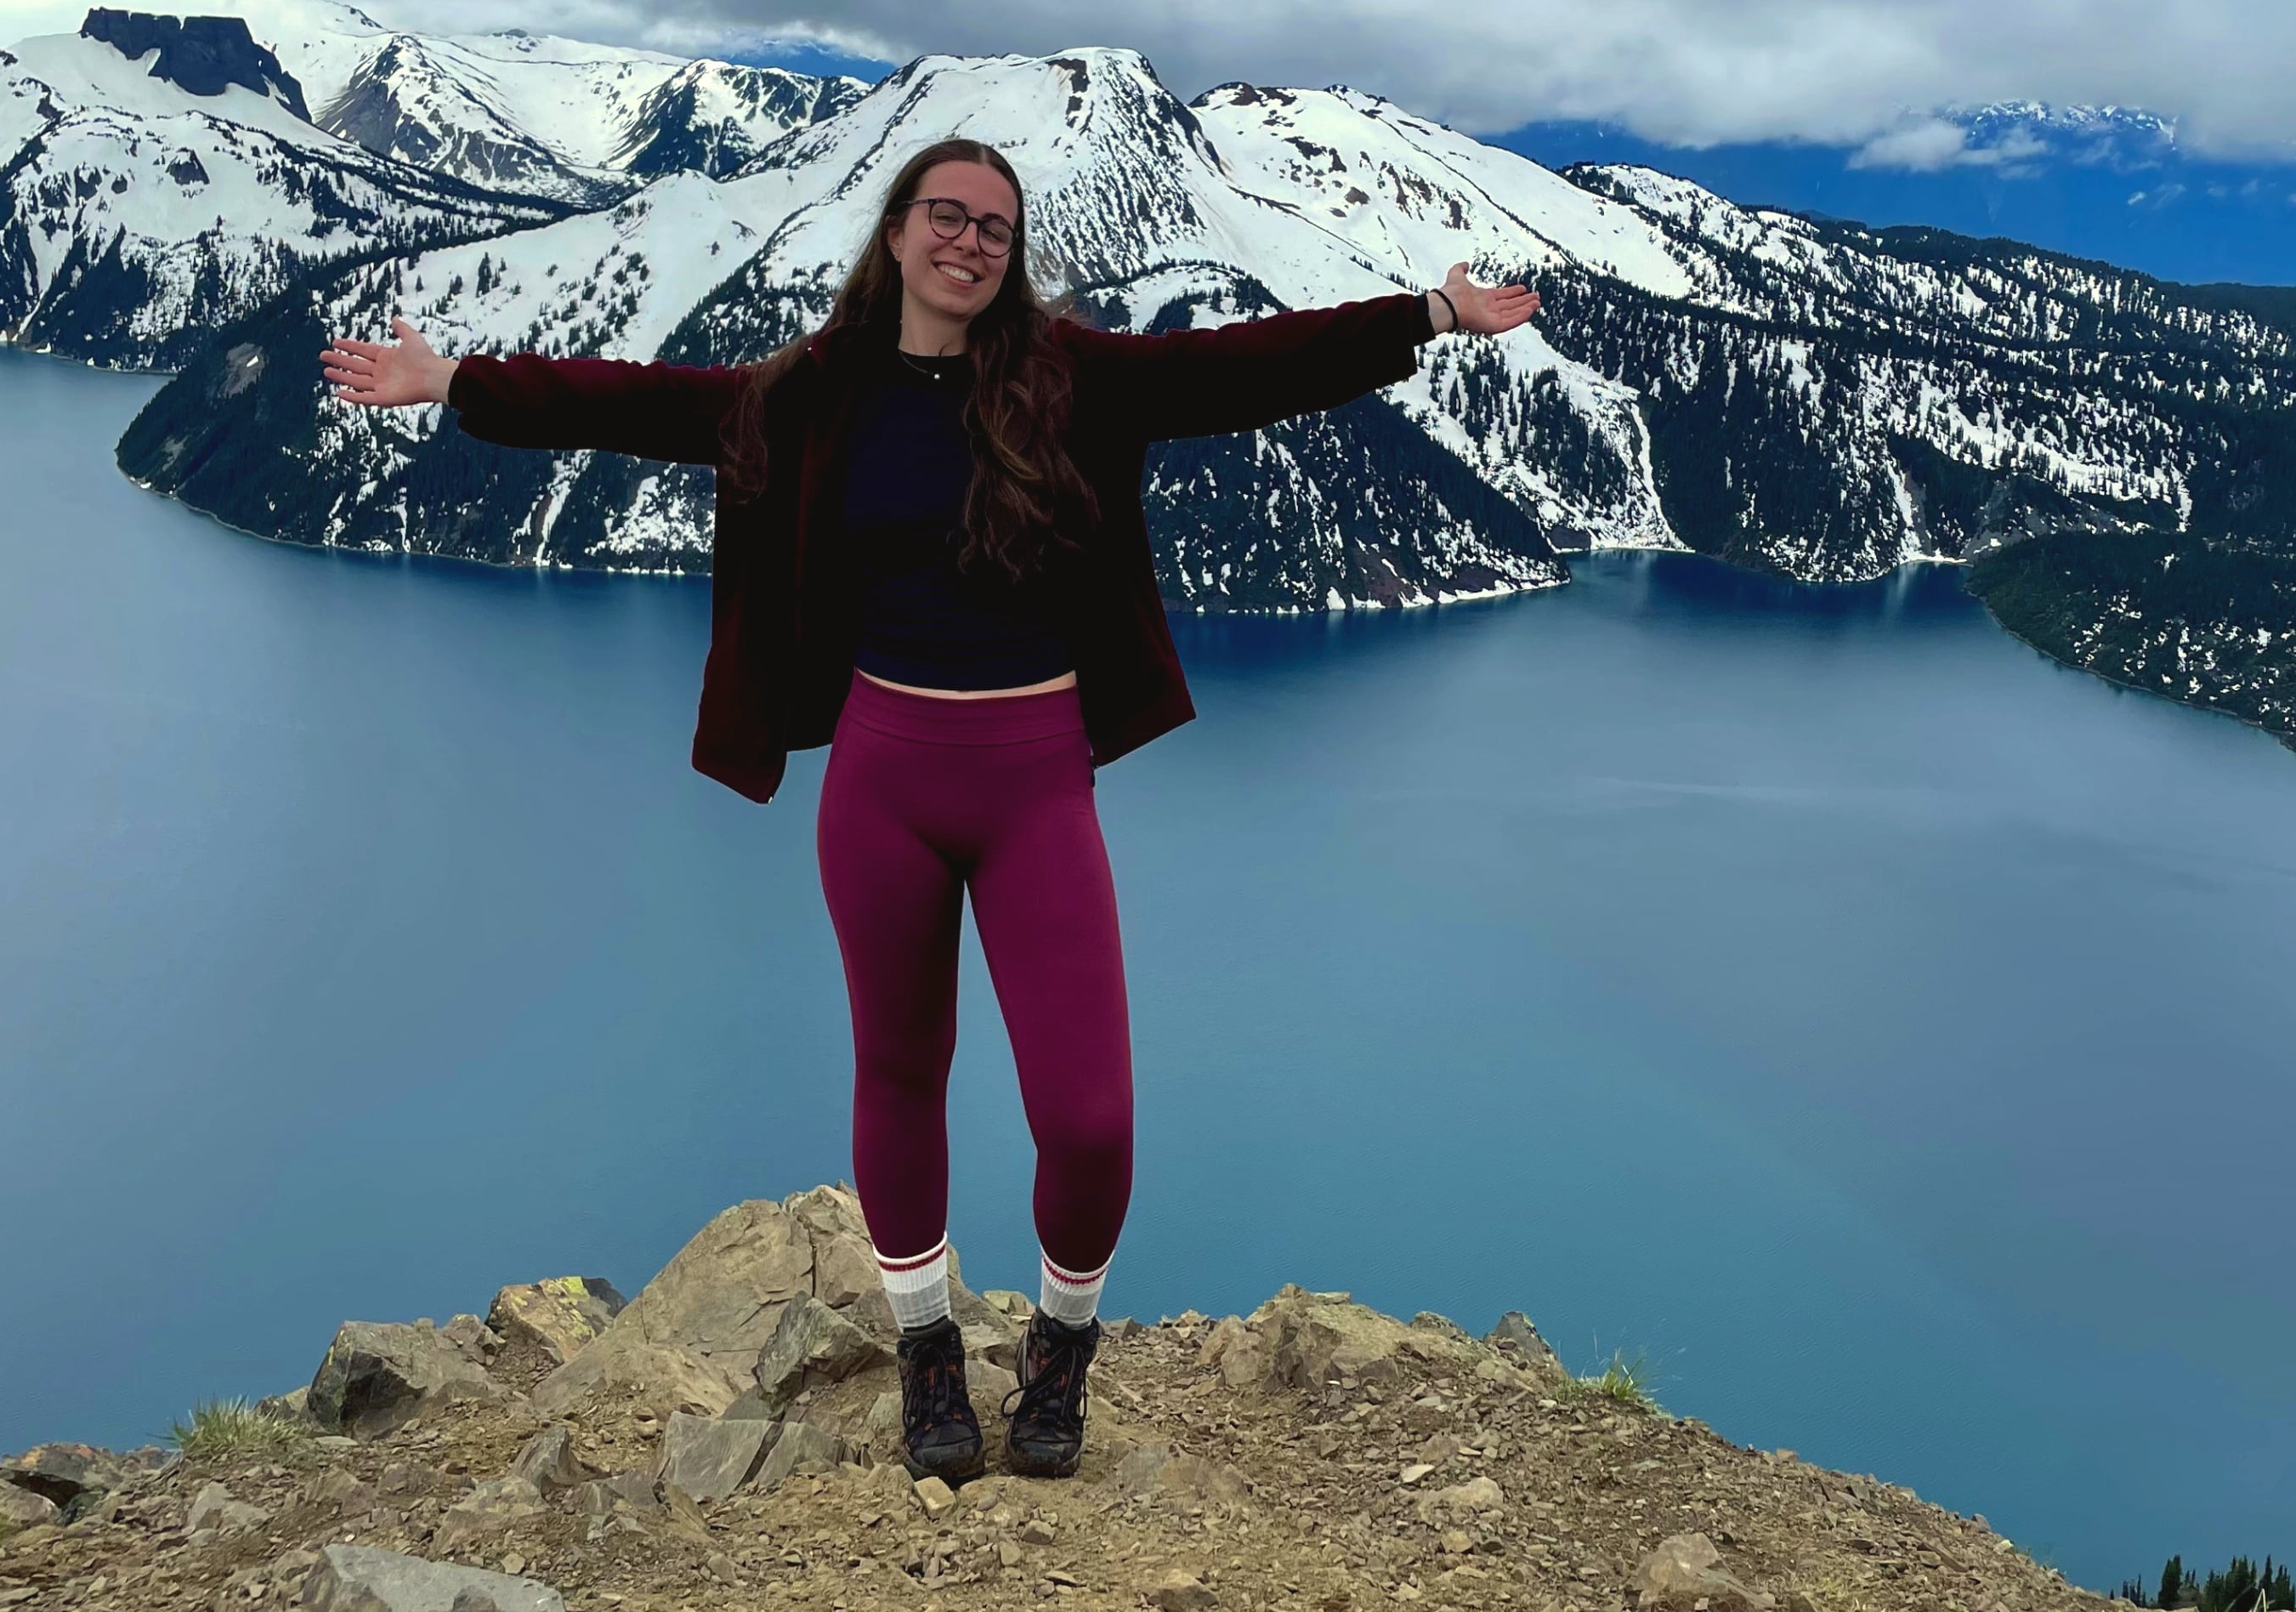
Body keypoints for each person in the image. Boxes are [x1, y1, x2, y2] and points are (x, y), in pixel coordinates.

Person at [320, 136, 1540, 1483]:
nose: (968, 243)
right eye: (945, 218)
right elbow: (637, 404)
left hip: (1034, 780)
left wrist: (1426, 314)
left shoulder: (1073, 381)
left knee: (1087, 1115)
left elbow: (1243, 369)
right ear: (895, 234)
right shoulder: (807, 393)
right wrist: (450, 383)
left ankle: (1061, 1350)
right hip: (883, 778)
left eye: (994, 230)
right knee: (900, 1074)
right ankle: (925, 1357)